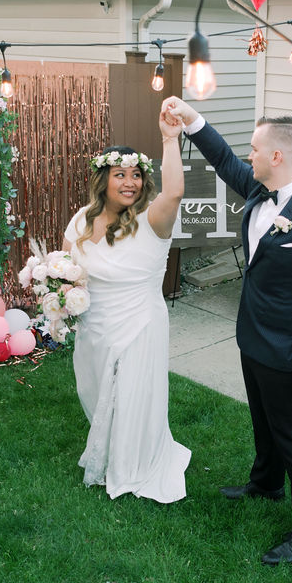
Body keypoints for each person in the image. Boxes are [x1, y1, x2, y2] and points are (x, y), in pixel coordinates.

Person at [160, 96, 292, 564]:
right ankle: (266, 484)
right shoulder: (261, 189)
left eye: (255, 148)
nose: (249, 155)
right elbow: (223, 158)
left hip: (290, 352)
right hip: (254, 339)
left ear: (277, 156)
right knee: (262, 422)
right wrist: (191, 119)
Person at [61, 105, 190, 503]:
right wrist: (56, 291)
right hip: (94, 323)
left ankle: (133, 465)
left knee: (135, 394)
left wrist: (170, 139)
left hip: (138, 322)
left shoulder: (154, 220)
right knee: (99, 392)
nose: (130, 182)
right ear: (104, 179)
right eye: (121, 175)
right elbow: (66, 267)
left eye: (136, 175)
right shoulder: (83, 219)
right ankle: (112, 446)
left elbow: (175, 192)